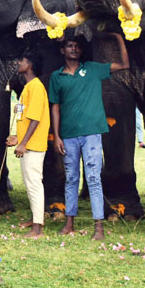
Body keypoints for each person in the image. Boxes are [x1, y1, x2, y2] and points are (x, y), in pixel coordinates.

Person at [48, 34, 129, 240]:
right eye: (69, 46)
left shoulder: (92, 69)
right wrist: (56, 136)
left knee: (93, 178)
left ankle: (98, 227)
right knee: (71, 179)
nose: (73, 49)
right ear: (62, 51)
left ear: (81, 51)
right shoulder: (57, 77)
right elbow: (55, 108)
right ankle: (69, 224)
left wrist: (119, 39)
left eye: (77, 46)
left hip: (92, 134)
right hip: (68, 136)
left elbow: (124, 65)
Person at [5, 53, 50, 238]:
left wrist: (23, 143)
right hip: (27, 144)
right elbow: (24, 116)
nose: (18, 63)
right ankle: (35, 218)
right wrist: (17, 138)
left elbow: (35, 119)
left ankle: (37, 228)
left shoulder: (36, 87)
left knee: (34, 184)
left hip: (33, 145)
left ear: (30, 65)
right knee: (29, 182)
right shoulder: (27, 88)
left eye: (21, 61)